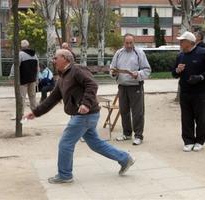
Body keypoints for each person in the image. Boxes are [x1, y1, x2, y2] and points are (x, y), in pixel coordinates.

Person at [24, 49, 135, 184]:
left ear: (65, 58)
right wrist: (35, 112)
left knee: (65, 143)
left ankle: (65, 175)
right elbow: (52, 99)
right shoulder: (62, 77)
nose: (53, 60)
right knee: (96, 144)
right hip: (83, 115)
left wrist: (86, 104)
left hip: (85, 115)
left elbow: (92, 84)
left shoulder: (77, 70)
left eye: (56, 58)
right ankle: (125, 158)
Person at [110, 33, 151, 145]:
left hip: (135, 86)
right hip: (122, 86)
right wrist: (113, 73)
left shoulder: (139, 53)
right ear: (124, 42)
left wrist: (137, 74)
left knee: (137, 112)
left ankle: (138, 136)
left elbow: (147, 70)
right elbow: (112, 68)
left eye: (130, 43)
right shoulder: (118, 53)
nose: (128, 45)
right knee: (124, 111)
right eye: (126, 43)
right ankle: (127, 133)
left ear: (134, 42)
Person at [171, 31, 205, 152]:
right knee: (186, 117)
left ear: (190, 42)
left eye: (182, 41)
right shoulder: (180, 56)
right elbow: (173, 74)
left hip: (200, 92)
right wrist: (177, 70)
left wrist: (200, 77)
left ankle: (200, 141)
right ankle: (188, 141)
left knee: (200, 118)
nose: (180, 43)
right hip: (184, 92)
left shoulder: (202, 53)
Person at [9, 39, 38, 115]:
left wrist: (11, 75)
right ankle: (35, 112)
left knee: (22, 97)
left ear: (21, 46)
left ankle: (20, 114)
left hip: (23, 79)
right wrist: (37, 78)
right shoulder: (34, 55)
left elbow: (15, 66)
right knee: (32, 96)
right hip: (32, 79)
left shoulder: (20, 54)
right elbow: (37, 68)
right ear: (28, 46)